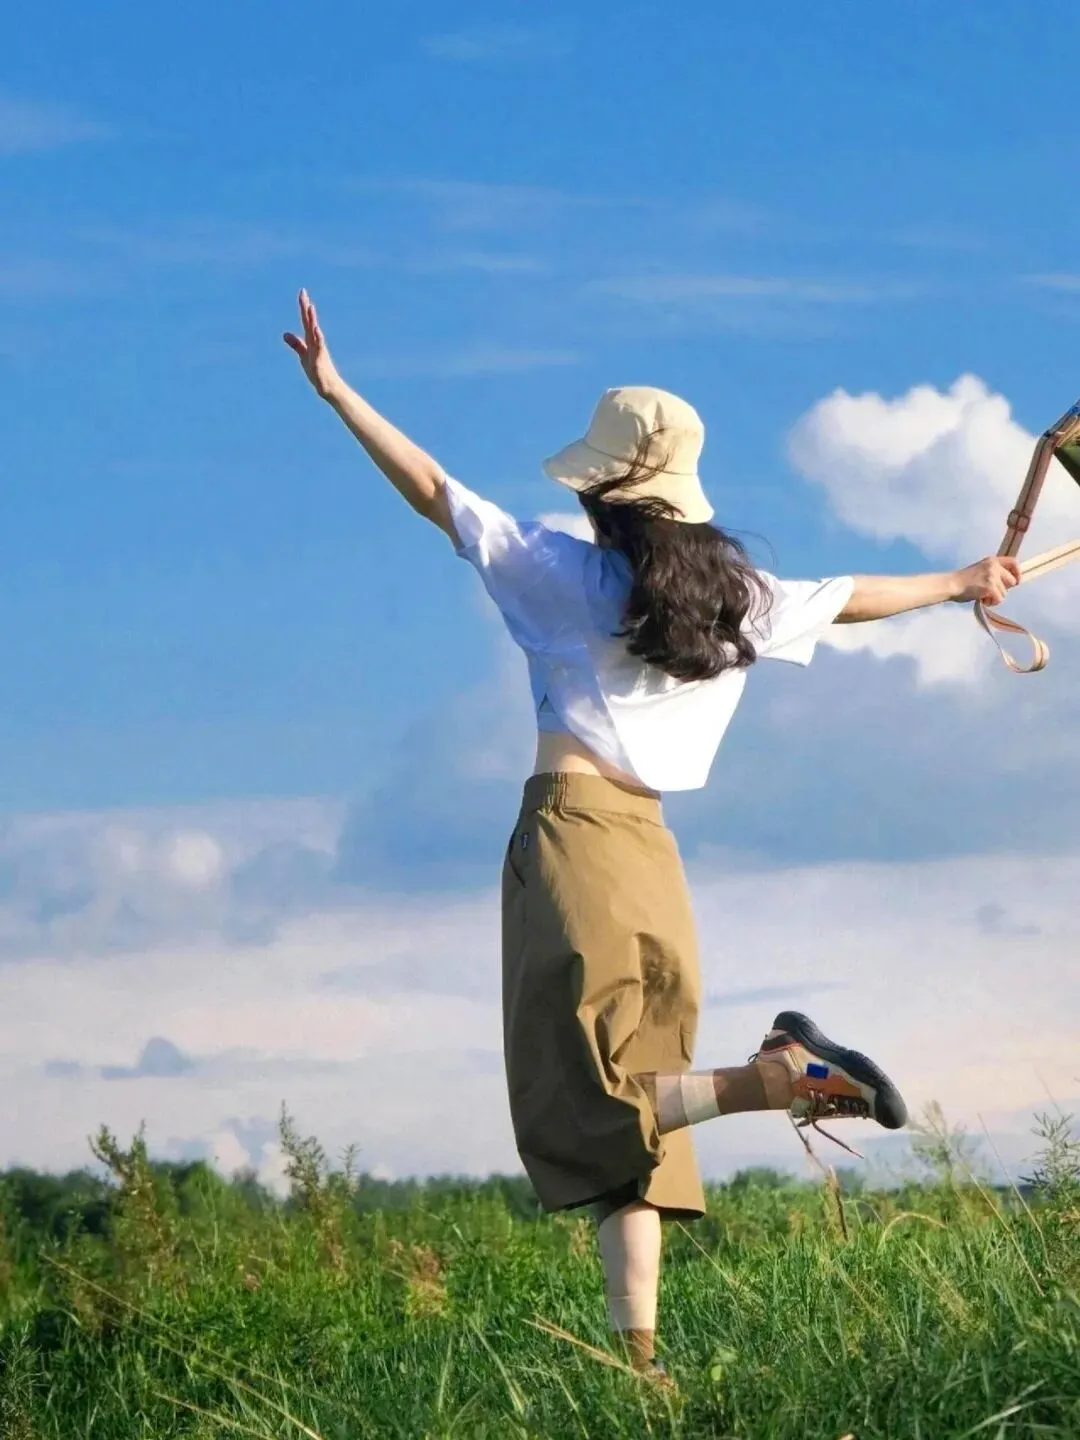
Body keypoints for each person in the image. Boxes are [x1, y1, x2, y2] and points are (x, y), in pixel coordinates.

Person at [283, 290, 1022, 1382]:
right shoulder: (737, 599)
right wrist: (962, 582)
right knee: (642, 1119)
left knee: (587, 1101)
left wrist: (339, 393)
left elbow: (436, 491)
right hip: (654, 859)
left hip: (573, 843)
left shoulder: (561, 572)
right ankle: (642, 1365)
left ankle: (782, 1077)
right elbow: (851, 595)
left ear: (603, 490)